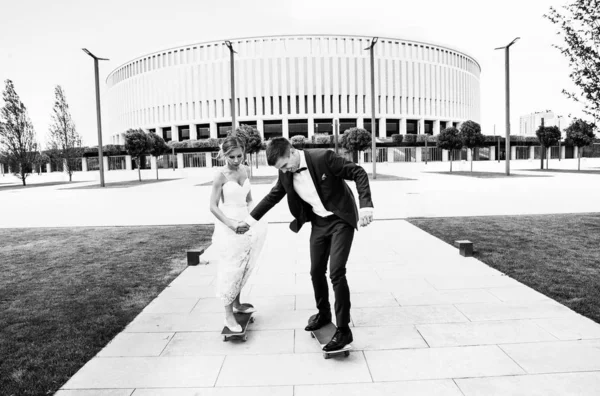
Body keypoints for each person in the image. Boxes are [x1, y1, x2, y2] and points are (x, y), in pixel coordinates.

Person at [239, 137, 373, 351]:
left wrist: (366, 205)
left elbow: (358, 172)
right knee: (315, 271)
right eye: (280, 169)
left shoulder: (324, 157)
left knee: (336, 272)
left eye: (285, 165)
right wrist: (248, 221)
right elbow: (273, 196)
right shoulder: (285, 172)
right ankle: (323, 313)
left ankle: (344, 330)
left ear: (292, 151)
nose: (285, 170)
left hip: (340, 219)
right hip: (319, 223)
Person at [202, 136, 267, 332]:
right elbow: (212, 207)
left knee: (243, 264)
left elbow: (249, 199)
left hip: (245, 223)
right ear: (224, 154)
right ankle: (228, 315)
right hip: (228, 225)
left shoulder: (245, 170)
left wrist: (252, 220)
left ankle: (237, 304)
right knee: (230, 268)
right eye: (232, 156)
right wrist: (231, 224)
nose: (237, 159)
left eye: (240, 155)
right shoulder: (219, 175)